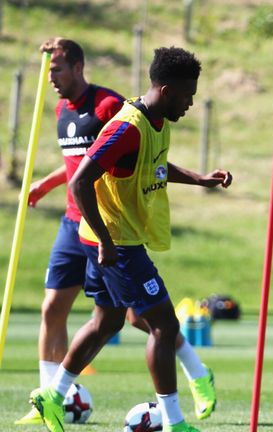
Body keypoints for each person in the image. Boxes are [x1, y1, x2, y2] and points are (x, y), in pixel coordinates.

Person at [28, 46, 232, 432]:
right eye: (187, 95)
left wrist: (199, 178)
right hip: (115, 242)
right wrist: (105, 240)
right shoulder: (126, 126)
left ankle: (53, 395)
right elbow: (80, 180)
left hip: (110, 238)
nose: (190, 103)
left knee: (108, 323)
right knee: (165, 326)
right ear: (167, 89)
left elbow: (153, 164)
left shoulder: (158, 121)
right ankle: (174, 422)